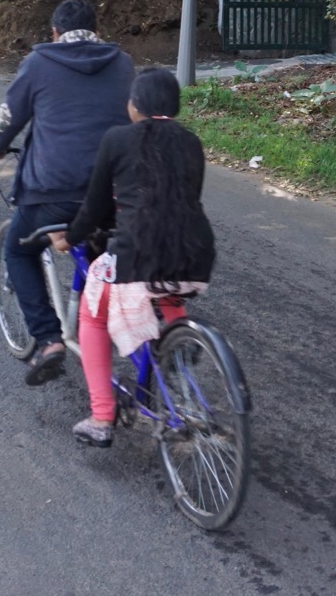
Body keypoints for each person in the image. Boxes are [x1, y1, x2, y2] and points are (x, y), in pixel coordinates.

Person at [49, 68, 216, 447]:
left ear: (134, 106)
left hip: (139, 256)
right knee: (165, 289)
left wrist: (69, 238)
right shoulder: (191, 142)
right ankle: (180, 342)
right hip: (195, 255)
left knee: (94, 311)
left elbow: (94, 209)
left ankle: (102, 415)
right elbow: (182, 201)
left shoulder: (117, 139)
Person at [0, 0, 134, 386]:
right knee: (102, 251)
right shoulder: (123, 64)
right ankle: (115, 325)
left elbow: (8, 118)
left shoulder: (38, 64)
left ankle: (48, 340)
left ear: (54, 33)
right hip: (115, 192)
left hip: (54, 193)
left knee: (18, 249)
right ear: (97, 31)